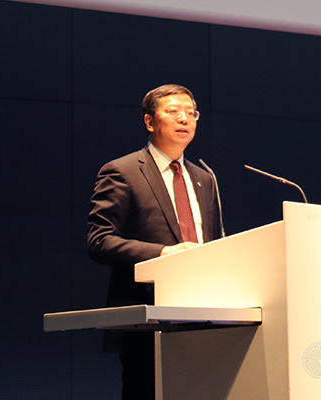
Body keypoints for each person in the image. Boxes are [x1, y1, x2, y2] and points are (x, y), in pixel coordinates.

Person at [87, 84, 222, 400]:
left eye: (191, 113)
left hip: (205, 315)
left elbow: (216, 243)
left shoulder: (204, 178)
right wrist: (164, 253)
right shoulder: (122, 172)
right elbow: (100, 241)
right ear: (149, 121)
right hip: (148, 318)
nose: (184, 119)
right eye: (173, 111)